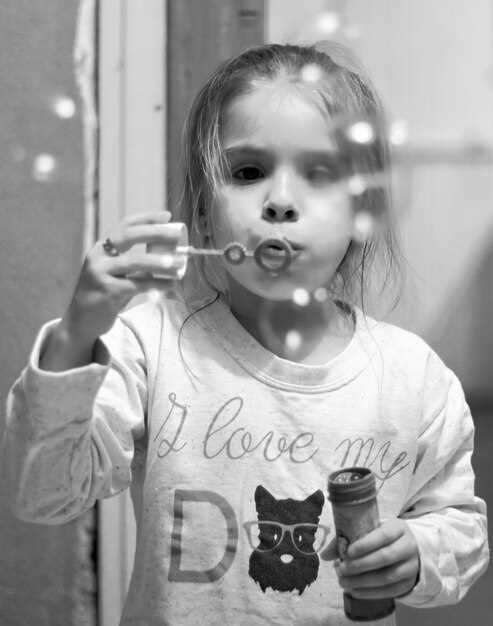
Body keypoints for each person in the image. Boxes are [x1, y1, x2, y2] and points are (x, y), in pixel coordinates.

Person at [2, 42, 488, 625]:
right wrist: (77, 333)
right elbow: (45, 493)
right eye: (248, 172)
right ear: (203, 215)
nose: (279, 201)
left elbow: (461, 530)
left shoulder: (413, 378)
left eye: (319, 174)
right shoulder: (149, 347)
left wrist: (418, 554)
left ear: (362, 213)